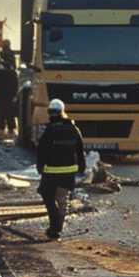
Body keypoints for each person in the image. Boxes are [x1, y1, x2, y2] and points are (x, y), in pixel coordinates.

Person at [37, 99, 86, 240]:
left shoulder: (49, 130)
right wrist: (81, 168)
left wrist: (40, 167)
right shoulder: (73, 129)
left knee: (48, 197)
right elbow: (80, 150)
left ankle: (55, 227)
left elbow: (41, 150)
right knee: (62, 200)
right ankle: (57, 229)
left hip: (51, 172)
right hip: (68, 172)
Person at [0, 52, 20, 138]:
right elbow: (16, 83)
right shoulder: (12, 69)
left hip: (1, 94)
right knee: (10, 112)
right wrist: (15, 94)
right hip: (10, 95)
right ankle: (11, 129)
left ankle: (1, 130)